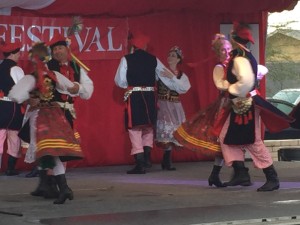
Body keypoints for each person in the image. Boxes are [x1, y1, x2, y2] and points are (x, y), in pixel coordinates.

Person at [219, 22, 294, 191]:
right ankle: (241, 174)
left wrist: (228, 87)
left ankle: (271, 176)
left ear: (233, 37)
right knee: (227, 137)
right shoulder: (242, 54)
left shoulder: (239, 57)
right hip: (241, 102)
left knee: (252, 141)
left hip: (244, 103)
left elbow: (245, 82)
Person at [9, 42, 84, 204]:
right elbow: (72, 88)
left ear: (33, 59)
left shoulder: (32, 77)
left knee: (47, 152)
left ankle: (61, 188)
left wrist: (31, 98)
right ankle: (53, 187)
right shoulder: (54, 74)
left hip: (40, 118)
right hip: (56, 115)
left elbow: (15, 95)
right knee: (49, 152)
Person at [115, 31, 180, 174]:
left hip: (135, 95)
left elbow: (120, 81)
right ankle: (147, 159)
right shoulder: (153, 59)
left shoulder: (126, 59)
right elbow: (164, 75)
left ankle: (139, 163)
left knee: (135, 128)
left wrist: (131, 83)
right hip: (150, 95)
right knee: (148, 127)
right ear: (144, 46)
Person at [155, 46, 191, 171]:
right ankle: (166, 159)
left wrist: (172, 77)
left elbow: (184, 88)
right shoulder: (160, 72)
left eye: (173, 56)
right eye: (169, 55)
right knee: (166, 130)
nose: (170, 57)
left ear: (179, 59)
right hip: (163, 104)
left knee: (173, 132)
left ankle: (167, 159)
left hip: (175, 106)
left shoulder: (181, 75)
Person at [0, 41, 25, 176]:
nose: (19, 55)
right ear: (13, 54)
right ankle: (10, 168)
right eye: (18, 53)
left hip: (0, 105)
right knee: (14, 137)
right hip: (12, 106)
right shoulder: (16, 69)